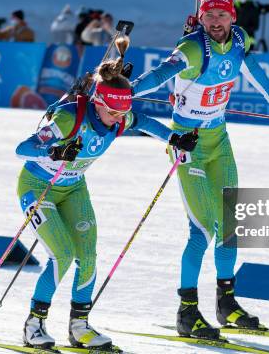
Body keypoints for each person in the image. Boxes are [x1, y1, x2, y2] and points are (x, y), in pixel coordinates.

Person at [131, 0, 269, 339]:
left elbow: (256, 74)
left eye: (221, 15)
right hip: (189, 143)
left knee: (230, 225)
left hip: (219, 141)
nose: (215, 21)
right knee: (201, 231)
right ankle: (187, 311)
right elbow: (158, 77)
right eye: (208, 15)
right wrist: (124, 91)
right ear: (200, 17)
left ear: (232, 17)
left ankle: (226, 304)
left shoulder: (240, 41)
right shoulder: (193, 47)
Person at [15, 41, 198, 350]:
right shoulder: (68, 118)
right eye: (112, 111)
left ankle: (80, 327)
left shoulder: (120, 116)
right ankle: (34, 324)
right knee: (62, 254)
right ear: (97, 101)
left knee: (87, 256)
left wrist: (174, 137)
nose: (118, 117)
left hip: (73, 187)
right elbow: (22, 149)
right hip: (38, 188)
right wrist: (56, 150)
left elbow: (144, 122)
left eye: (122, 111)